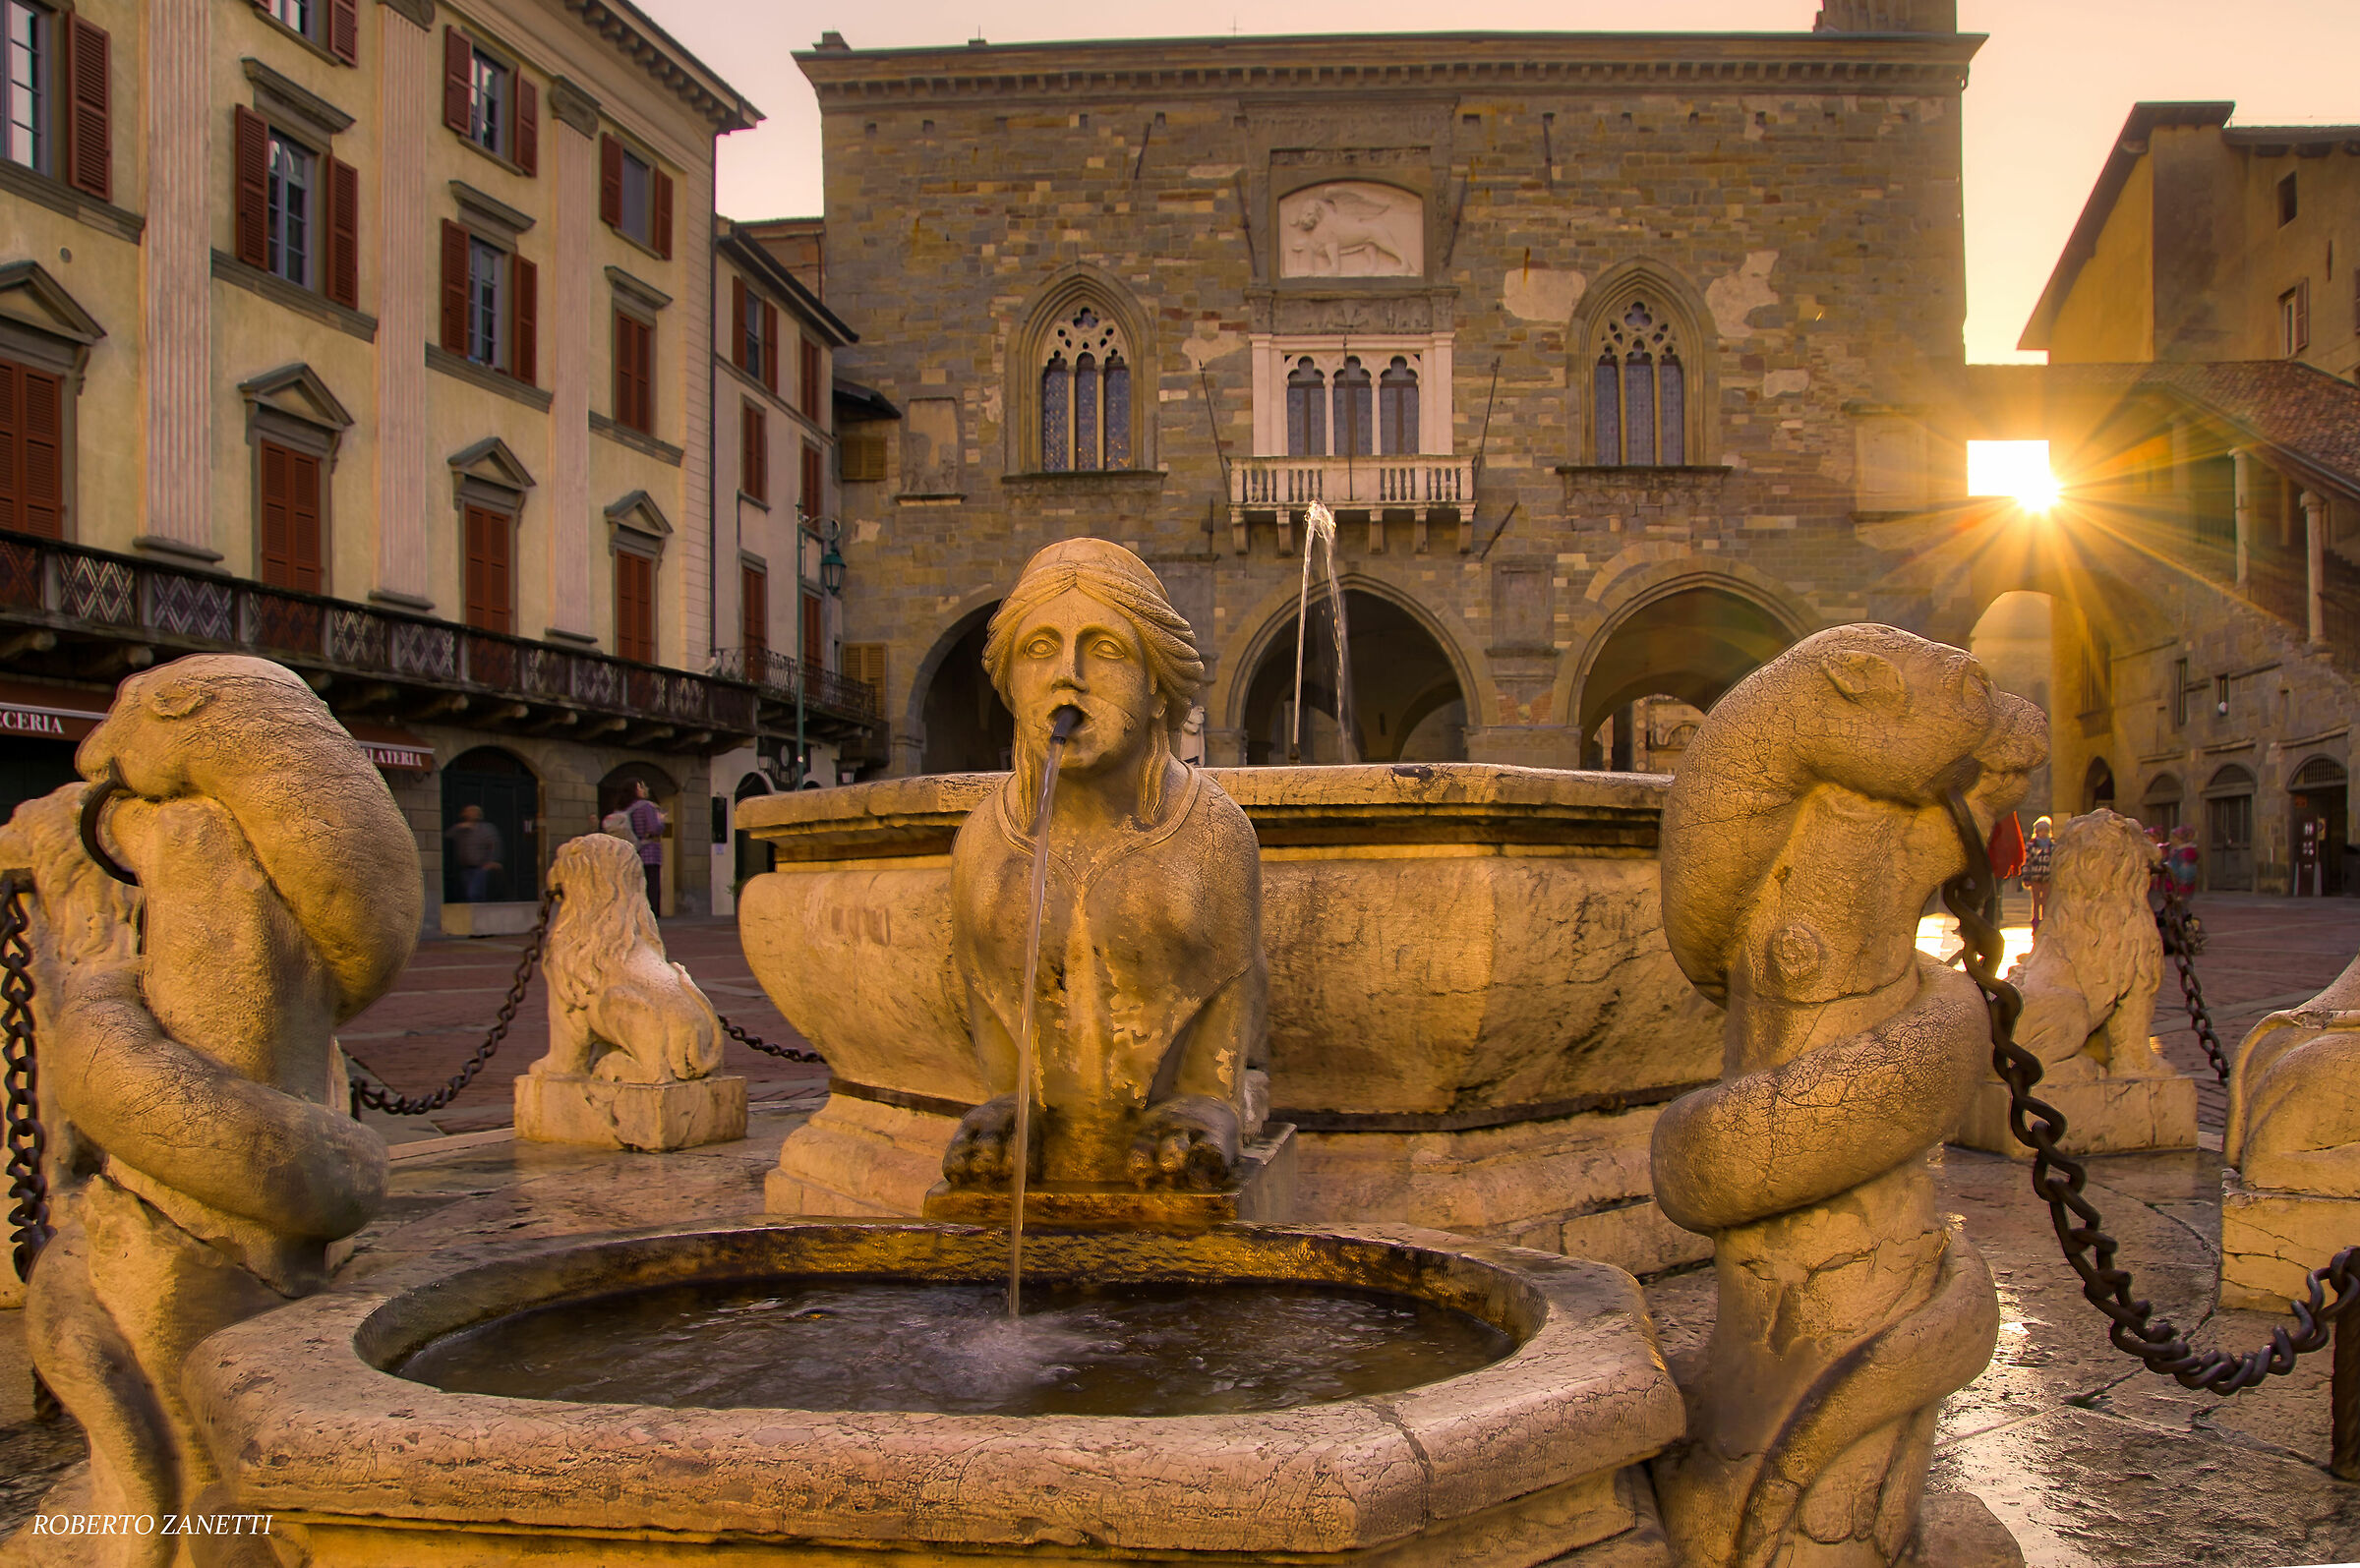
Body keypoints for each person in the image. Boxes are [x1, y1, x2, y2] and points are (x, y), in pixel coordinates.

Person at [444, 804, 502, 904]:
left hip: (480, 867)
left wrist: (492, 861)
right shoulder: (461, 829)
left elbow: (493, 845)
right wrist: (460, 827)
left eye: (473, 812)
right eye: (468, 812)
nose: (470, 814)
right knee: (467, 893)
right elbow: (448, 835)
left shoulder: (486, 829)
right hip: (465, 868)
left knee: (474, 893)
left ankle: (479, 916)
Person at [624, 779, 667, 916]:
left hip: (632, 850)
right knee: (651, 883)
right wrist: (661, 821)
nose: (644, 789)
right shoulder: (647, 807)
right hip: (649, 852)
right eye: (641, 787)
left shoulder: (627, 808)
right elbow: (654, 828)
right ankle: (651, 914)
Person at [2022, 814, 2053, 933]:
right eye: (2041, 831)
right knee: (2035, 901)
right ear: (2036, 831)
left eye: (2045, 830)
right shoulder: (2031, 846)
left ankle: (2044, 922)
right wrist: (2026, 878)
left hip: (2047, 877)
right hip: (2035, 876)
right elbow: (2027, 862)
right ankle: (2035, 922)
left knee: (2045, 900)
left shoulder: (2052, 846)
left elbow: (2054, 863)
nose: (2043, 833)